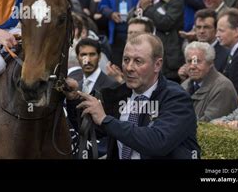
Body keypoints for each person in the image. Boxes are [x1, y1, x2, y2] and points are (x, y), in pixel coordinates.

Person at [71, 33, 200, 159]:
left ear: (157, 65)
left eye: (138, 61)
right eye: (126, 60)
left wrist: (106, 120)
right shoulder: (118, 94)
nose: (129, 67)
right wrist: (72, 99)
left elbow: (158, 142)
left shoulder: (176, 98)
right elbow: (90, 130)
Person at [65, 38, 120, 158]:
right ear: (78, 57)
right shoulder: (75, 86)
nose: (87, 60)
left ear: (99, 57)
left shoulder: (112, 85)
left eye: (92, 54)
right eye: (83, 54)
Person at [135, 0, 185, 81]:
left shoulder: (176, 1)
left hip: (168, 59)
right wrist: (140, 6)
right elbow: (133, 20)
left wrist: (147, 7)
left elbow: (165, 23)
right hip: (146, 54)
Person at [181, 41, 238, 122]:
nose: (192, 66)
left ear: (210, 63)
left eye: (197, 61)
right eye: (189, 61)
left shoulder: (223, 87)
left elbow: (208, 124)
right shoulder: (184, 85)